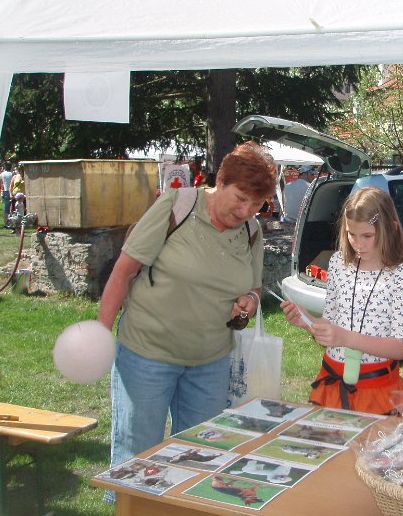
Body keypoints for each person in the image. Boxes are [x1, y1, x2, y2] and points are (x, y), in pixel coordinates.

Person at [97, 141, 276, 502]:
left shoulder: (251, 231)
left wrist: (250, 302)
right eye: (240, 198)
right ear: (220, 181)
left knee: (200, 460)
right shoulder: (177, 206)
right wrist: (100, 335)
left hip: (210, 362)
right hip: (147, 354)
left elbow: (255, 288)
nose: (245, 211)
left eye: (256, 204)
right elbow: (123, 271)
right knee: (138, 457)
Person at [278, 186, 403, 415]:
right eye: (351, 234)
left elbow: (399, 346)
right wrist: (309, 321)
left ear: (391, 229)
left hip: (377, 389)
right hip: (333, 381)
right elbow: (331, 324)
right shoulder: (338, 263)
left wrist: (344, 337)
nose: (358, 244)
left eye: (367, 236)